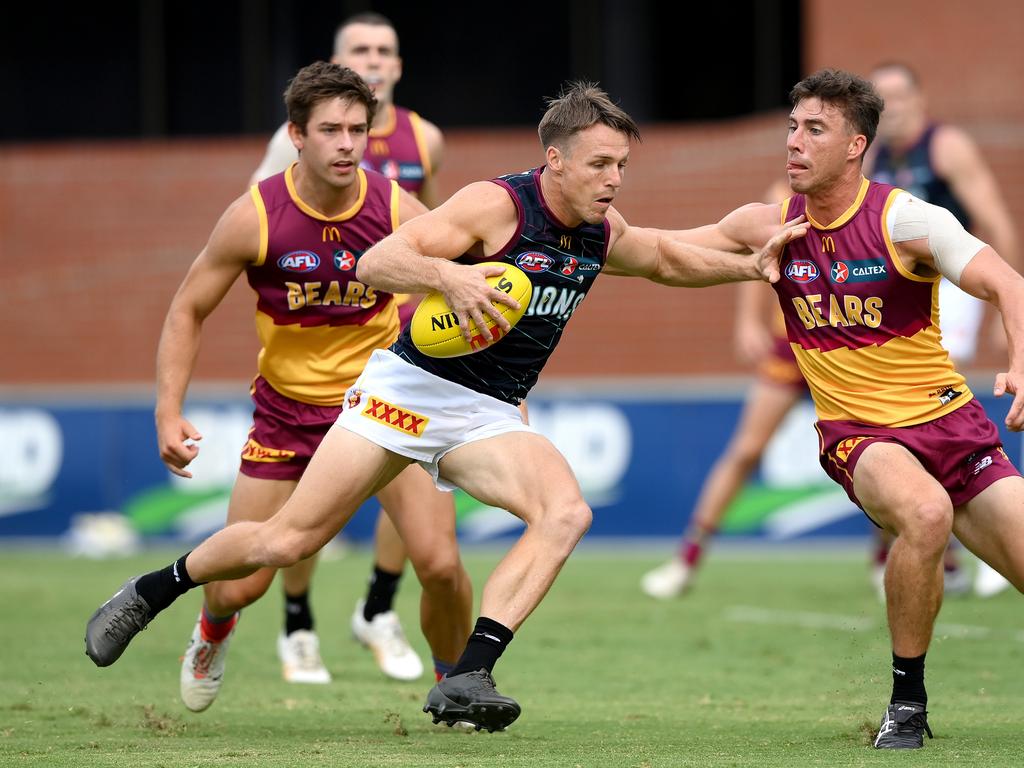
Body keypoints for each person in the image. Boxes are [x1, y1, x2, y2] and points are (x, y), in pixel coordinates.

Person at [85, 80, 805, 732]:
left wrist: (749, 266)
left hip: (486, 410)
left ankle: (468, 674)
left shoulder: (598, 229)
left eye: (621, 166)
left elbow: (664, 257)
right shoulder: (495, 206)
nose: (614, 179)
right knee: (285, 543)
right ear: (555, 159)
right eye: (600, 165)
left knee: (563, 513)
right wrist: (448, 281)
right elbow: (375, 264)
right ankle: (153, 589)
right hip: (404, 394)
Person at [670, 68, 1024, 749]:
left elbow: (1009, 283)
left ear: (856, 145)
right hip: (861, 435)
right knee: (924, 514)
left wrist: (1018, 361)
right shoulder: (768, 222)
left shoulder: (909, 221)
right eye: (791, 127)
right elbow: (657, 250)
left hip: (954, 427)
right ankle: (908, 703)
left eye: (814, 130)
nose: (794, 142)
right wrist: (570, 228)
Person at [144, 62, 471, 713]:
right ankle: (213, 630)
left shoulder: (396, 207)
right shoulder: (254, 217)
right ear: (296, 134)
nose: (348, 143)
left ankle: (455, 685)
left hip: (385, 409)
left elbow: (467, 282)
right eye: (330, 129)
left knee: (439, 565)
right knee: (239, 586)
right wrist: (168, 410)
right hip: (288, 418)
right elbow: (187, 309)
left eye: (358, 128)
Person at [250, 11, 446, 681]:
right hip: (311, 345)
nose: (373, 59)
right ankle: (297, 620)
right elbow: (265, 220)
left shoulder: (425, 139)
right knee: (308, 504)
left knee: (414, 479)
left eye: (384, 50)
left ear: (398, 66)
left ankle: (379, 607)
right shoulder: (297, 141)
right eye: (359, 49)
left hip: (392, 349)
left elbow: (437, 232)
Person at [865, 61, 1020, 599]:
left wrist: (1007, 309)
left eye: (900, 96)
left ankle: (988, 523)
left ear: (920, 98)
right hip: (896, 290)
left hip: (951, 284)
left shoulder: (945, 146)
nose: (893, 108)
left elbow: (995, 220)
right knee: (886, 403)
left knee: (931, 395)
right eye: (881, 99)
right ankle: (923, 536)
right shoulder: (872, 156)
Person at [641, 182, 810, 599]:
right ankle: (687, 559)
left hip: (850, 346)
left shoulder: (879, 195)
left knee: (881, 448)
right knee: (747, 450)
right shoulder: (780, 199)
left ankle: (901, 561)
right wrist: (749, 322)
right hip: (790, 344)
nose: (799, 144)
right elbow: (759, 260)